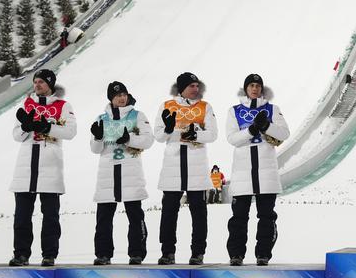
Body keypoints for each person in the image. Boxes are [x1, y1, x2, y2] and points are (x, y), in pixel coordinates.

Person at [9, 69, 77, 266]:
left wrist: (47, 127)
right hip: (26, 166)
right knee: (22, 216)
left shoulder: (63, 105)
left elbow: (71, 131)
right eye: (35, 81)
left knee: (50, 217)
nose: (37, 85)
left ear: (50, 84)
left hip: (50, 165)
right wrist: (26, 127)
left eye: (41, 82)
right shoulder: (26, 104)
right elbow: (15, 135)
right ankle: (21, 254)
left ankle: (49, 254)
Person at [225, 74, 291, 265]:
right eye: (251, 85)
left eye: (258, 86)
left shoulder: (272, 109)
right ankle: (236, 254)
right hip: (242, 172)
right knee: (239, 217)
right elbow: (232, 139)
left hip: (266, 171)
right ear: (245, 88)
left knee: (266, 216)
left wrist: (266, 125)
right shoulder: (234, 111)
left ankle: (263, 254)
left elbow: (284, 133)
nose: (255, 89)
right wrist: (252, 130)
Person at [155, 72, 219, 265]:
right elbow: (158, 136)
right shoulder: (167, 105)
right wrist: (167, 129)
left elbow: (213, 134)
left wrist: (196, 134)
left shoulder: (205, 107)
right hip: (173, 166)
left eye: (197, 86)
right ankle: (167, 252)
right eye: (192, 86)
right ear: (182, 88)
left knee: (199, 212)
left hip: (196, 166)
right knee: (168, 212)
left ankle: (198, 252)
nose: (196, 89)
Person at [90, 82, 154, 265]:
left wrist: (130, 139)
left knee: (135, 215)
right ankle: (103, 254)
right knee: (103, 218)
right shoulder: (101, 118)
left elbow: (148, 140)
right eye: (117, 95)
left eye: (124, 94)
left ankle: (137, 253)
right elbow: (95, 149)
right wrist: (97, 137)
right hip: (107, 173)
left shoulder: (137, 115)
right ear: (111, 98)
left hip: (130, 171)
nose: (121, 98)